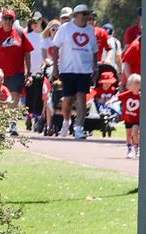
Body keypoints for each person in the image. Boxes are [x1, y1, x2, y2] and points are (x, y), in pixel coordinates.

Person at [51, 4, 96, 139]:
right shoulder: (65, 28)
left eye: (87, 14)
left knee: (82, 97)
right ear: (75, 15)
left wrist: (95, 68)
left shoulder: (90, 30)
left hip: (85, 70)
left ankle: (78, 127)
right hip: (68, 69)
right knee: (69, 99)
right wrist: (55, 66)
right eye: (83, 14)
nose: (85, 17)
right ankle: (66, 121)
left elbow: (94, 50)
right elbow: (55, 46)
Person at [0, 9, 33, 117]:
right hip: (0, 74)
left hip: (17, 73)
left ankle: (12, 122)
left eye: (10, 19)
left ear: (13, 20)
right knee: (1, 99)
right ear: (2, 19)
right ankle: (3, 121)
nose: (7, 21)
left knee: (14, 97)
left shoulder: (20, 33)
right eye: (5, 18)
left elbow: (27, 53)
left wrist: (29, 73)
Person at [119, 73, 141, 158]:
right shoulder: (127, 94)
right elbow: (118, 97)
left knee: (135, 131)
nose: (128, 85)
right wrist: (111, 101)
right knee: (128, 134)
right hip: (128, 118)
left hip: (137, 119)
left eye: (131, 84)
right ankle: (129, 149)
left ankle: (137, 148)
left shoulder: (141, 95)